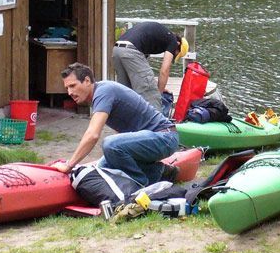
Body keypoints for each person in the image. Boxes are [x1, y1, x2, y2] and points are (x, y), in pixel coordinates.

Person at [51, 62, 180, 186]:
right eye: (67, 88)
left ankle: (139, 184)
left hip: (165, 137)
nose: (69, 92)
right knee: (103, 167)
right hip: (154, 138)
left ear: (87, 81)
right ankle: (160, 172)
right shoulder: (99, 93)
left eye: (72, 86)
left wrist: (69, 165)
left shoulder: (103, 92)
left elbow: (92, 135)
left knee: (110, 145)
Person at [112, 21, 189, 113]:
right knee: (152, 96)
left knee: (127, 95)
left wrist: (157, 85)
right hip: (131, 51)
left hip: (117, 50)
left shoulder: (156, 37)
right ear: (178, 44)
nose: (174, 56)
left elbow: (142, 72)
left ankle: (126, 125)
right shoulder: (173, 41)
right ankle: (157, 126)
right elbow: (164, 70)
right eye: (176, 54)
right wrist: (158, 93)